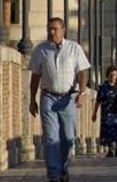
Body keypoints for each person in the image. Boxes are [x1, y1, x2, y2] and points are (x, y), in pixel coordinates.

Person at [28, 18, 91, 182]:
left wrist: (82, 93)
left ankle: (63, 167)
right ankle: (54, 173)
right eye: (49, 29)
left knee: (67, 137)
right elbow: (35, 76)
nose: (51, 32)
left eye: (55, 29)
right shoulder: (40, 50)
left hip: (68, 98)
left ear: (63, 30)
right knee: (51, 137)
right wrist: (32, 99)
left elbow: (83, 71)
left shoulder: (74, 48)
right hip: (48, 97)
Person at [92, 65, 117, 158]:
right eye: (111, 75)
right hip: (107, 114)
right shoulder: (103, 87)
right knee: (108, 131)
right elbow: (98, 101)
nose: (113, 77)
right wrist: (94, 113)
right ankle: (110, 149)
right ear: (107, 76)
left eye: (115, 75)